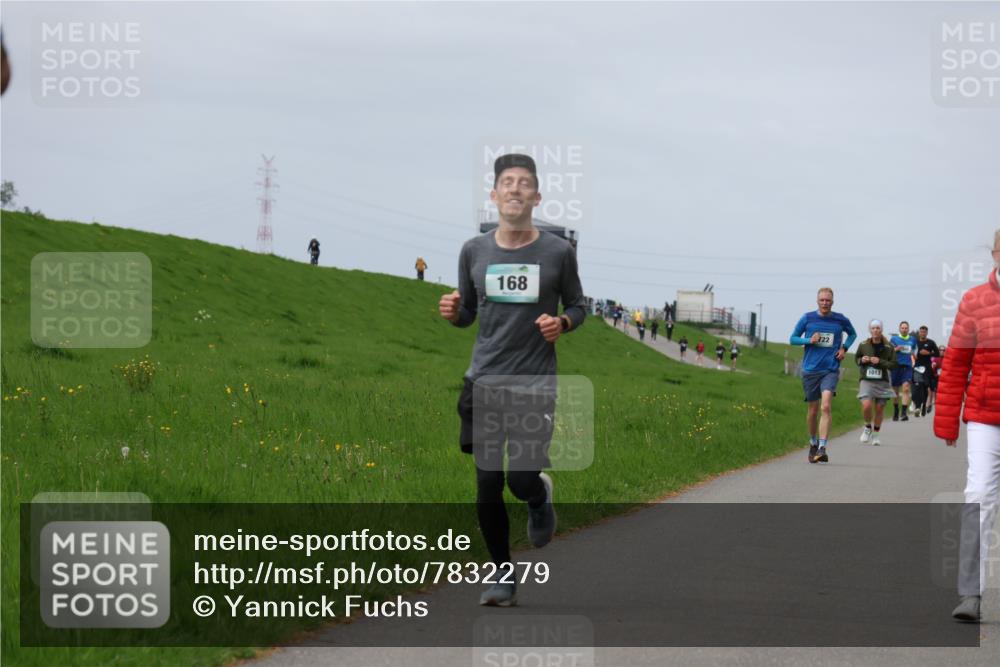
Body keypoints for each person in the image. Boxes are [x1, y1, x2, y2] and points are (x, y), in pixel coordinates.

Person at [439, 153, 586, 607]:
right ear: (495, 194)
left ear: (536, 197)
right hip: (483, 381)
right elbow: (469, 312)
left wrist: (562, 323)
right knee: (487, 484)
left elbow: (579, 305)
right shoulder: (473, 251)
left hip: (534, 385)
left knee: (520, 480)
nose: (515, 188)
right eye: (507, 182)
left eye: (524, 183)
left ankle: (538, 497)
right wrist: (454, 312)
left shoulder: (558, 253)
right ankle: (502, 574)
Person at [934, 228, 1000, 623]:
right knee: (979, 495)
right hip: (985, 415)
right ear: (995, 254)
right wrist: (947, 422)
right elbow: (957, 361)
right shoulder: (975, 300)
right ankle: (970, 594)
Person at [789, 287, 858, 464]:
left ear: (832, 302)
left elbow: (853, 334)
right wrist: (809, 340)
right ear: (817, 301)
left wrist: (844, 348)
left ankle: (822, 447)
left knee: (825, 406)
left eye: (828, 300)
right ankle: (813, 443)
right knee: (812, 411)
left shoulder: (840, 319)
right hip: (810, 370)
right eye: (822, 300)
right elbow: (793, 338)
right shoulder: (807, 318)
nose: (825, 303)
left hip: (830, 369)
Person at [855, 319, 898, 446]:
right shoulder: (863, 345)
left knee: (879, 408)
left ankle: (876, 434)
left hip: (882, 381)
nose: (875, 330)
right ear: (870, 330)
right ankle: (868, 427)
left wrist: (880, 361)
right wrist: (862, 360)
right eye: (873, 328)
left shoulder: (889, 347)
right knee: (866, 405)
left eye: (878, 328)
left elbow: (894, 365)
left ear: (881, 330)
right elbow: (857, 359)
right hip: (866, 380)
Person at [911, 325, 940, 418]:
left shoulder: (931, 342)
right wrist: (914, 355)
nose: (922, 333)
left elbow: (937, 354)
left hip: (927, 368)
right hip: (918, 367)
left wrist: (928, 353)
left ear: (927, 333)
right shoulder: (915, 343)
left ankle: (924, 404)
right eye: (921, 332)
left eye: (924, 332)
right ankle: (918, 407)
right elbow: (911, 351)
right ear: (919, 333)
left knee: (925, 387)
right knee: (918, 386)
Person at [890, 321, 915, 421]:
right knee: (895, 391)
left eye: (906, 328)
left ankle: (904, 413)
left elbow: (914, 351)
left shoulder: (912, 339)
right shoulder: (894, 339)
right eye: (902, 328)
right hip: (896, 367)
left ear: (908, 329)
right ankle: (896, 410)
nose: (904, 329)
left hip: (907, 367)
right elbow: (889, 352)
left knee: (906, 388)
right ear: (899, 329)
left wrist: (914, 359)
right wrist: (896, 349)